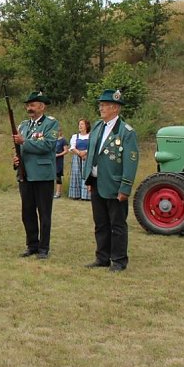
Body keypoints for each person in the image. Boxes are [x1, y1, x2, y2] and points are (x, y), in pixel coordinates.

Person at [84, 89, 139, 272]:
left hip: (114, 185)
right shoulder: (99, 127)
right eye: (100, 105)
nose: (101, 108)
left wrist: (125, 188)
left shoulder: (126, 132)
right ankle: (102, 257)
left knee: (117, 224)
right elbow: (93, 154)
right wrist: (89, 179)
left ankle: (119, 260)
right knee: (100, 223)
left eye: (104, 105)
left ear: (115, 108)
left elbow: (131, 162)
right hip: (97, 182)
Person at [13, 91, 60, 259]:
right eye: (28, 105)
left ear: (42, 106)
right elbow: (17, 149)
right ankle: (31, 244)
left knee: (44, 213)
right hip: (25, 175)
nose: (29, 108)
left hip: (43, 175)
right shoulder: (23, 126)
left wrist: (25, 142)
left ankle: (43, 248)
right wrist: (16, 160)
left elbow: (48, 145)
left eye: (32, 105)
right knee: (27, 212)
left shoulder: (50, 124)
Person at [68, 118, 92, 200]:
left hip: (87, 157)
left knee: (86, 174)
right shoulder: (75, 136)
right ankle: (75, 195)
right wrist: (79, 153)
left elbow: (92, 147)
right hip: (77, 157)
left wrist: (85, 152)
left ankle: (86, 196)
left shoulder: (91, 136)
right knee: (76, 174)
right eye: (79, 124)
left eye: (82, 124)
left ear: (86, 126)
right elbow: (72, 147)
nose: (80, 126)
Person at [55, 130, 68, 199]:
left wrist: (58, 155)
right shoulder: (53, 139)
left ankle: (58, 192)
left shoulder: (63, 140)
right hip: (52, 160)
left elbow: (66, 151)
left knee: (58, 176)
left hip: (59, 160)